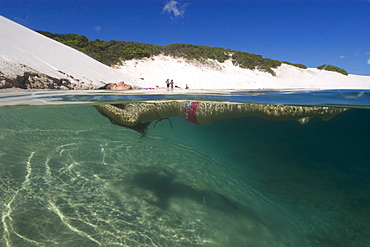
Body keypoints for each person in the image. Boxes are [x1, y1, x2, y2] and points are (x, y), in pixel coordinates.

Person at [95, 101, 348, 137]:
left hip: (196, 110)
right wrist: (101, 103)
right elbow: (128, 120)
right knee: (262, 109)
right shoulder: (131, 107)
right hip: (196, 110)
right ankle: (322, 112)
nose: (123, 83)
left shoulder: (137, 100)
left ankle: (306, 115)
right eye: (116, 85)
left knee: (260, 109)